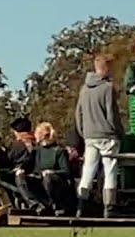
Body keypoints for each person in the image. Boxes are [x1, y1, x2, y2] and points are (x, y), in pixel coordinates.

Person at [75, 54, 123, 217]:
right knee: (110, 169)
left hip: (89, 135)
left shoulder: (84, 89)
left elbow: (78, 114)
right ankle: (109, 207)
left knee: (88, 170)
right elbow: (112, 114)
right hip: (107, 135)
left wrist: (83, 132)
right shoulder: (107, 88)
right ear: (107, 68)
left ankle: (82, 205)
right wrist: (119, 132)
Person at [32, 122, 75, 216]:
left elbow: (66, 171)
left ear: (43, 135)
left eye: (36, 133)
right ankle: (36, 204)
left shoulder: (58, 150)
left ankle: (56, 205)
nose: (34, 135)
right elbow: (36, 169)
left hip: (58, 182)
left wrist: (51, 172)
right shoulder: (37, 150)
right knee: (23, 178)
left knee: (48, 178)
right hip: (41, 179)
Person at [5, 117, 40, 213]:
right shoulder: (35, 141)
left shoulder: (19, 144)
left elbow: (9, 159)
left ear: (18, 132)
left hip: (24, 173)